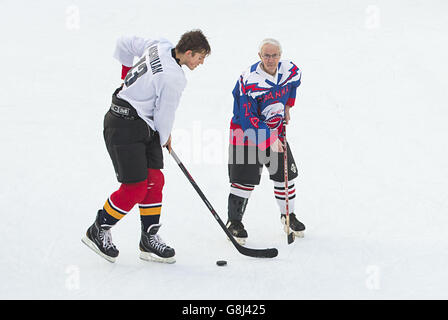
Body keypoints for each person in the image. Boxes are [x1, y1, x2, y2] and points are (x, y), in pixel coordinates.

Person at [82, 30, 211, 263]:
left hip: (142, 125)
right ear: (189, 53)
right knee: (135, 188)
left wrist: (126, 80)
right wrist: (164, 137)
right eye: (200, 57)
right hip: (123, 126)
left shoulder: (159, 44)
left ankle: (148, 239)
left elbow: (123, 42)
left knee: (155, 180)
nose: (201, 63)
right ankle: (98, 228)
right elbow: (165, 115)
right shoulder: (174, 78)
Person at [227, 38, 305, 245]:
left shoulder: (289, 71)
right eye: (267, 55)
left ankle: (288, 216)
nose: (271, 60)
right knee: (244, 181)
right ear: (259, 56)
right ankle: (234, 222)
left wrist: (288, 106)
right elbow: (247, 117)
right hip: (245, 133)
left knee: (285, 176)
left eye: (275, 55)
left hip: (274, 130)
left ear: (281, 55)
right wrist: (269, 139)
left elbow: (293, 86)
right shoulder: (249, 80)